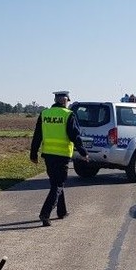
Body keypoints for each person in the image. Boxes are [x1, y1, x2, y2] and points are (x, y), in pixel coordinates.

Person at [29, 90, 89, 226]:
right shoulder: (68, 115)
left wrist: (33, 153)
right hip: (62, 156)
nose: (68, 103)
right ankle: (45, 213)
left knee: (56, 183)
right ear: (65, 100)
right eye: (68, 100)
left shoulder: (45, 114)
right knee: (58, 184)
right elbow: (75, 136)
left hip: (48, 155)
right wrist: (83, 152)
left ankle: (62, 212)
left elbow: (37, 135)